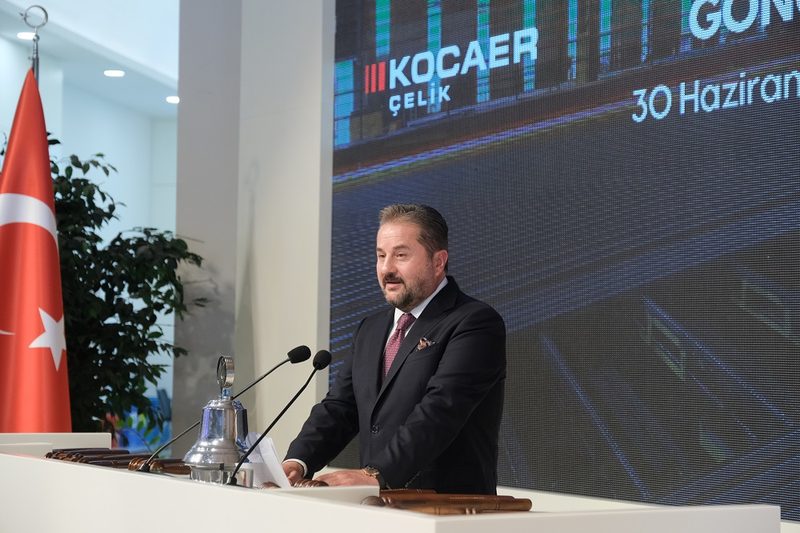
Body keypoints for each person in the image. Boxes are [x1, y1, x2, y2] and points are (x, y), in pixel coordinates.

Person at [283, 204, 506, 494]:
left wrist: (378, 473)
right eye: (381, 256)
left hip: (446, 506)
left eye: (401, 255)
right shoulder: (370, 328)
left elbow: (441, 410)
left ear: (438, 261)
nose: (387, 269)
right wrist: (298, 461)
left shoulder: (474, 322)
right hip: (376, 507)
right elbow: (340, 407)